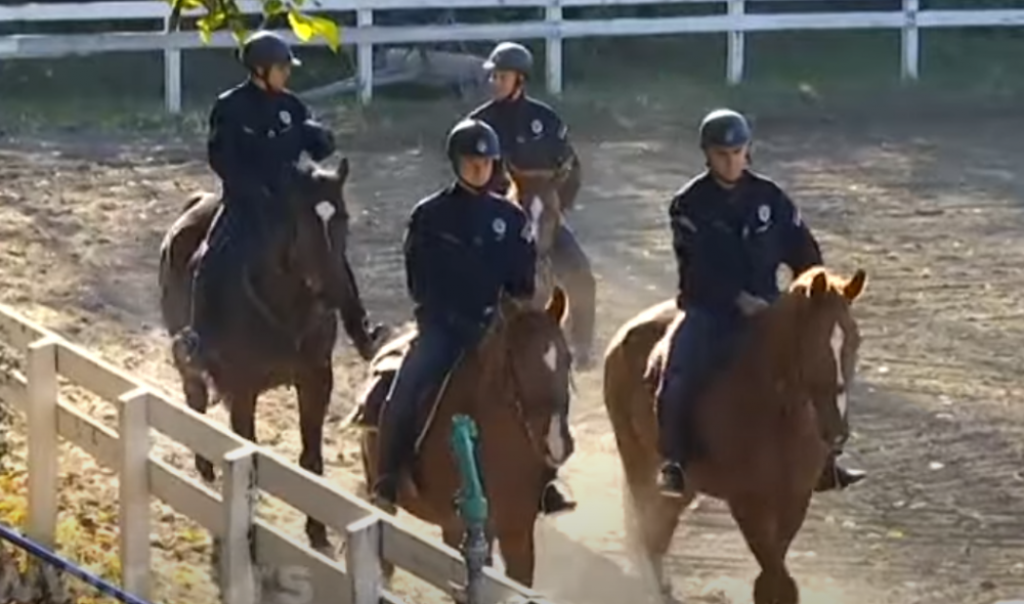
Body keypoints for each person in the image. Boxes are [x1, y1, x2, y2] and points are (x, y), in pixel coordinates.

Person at [657, 108, 866, 497]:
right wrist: (738, 300)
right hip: (709, 309)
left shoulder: (770, 197)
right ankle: (674, 461)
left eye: (738, 152)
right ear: (707, 155)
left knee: (816, 367)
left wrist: (813, 294)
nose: (732, 160)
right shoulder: (688, 204)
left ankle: (824, 459)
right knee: (679, 369)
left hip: (769, 307)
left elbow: (803, 249)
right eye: (722, 154)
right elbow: (698, 267)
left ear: (749, 151)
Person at [372, 118, 575, 516]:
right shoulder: (429, 215)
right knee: (405, 389)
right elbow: (420, 283)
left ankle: (545, 480)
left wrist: (515, 309)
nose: (479, 168)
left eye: (486, 162)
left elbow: (521, 279)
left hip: (497, 327)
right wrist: (453, 317)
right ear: (456, 163)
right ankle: (388, 476)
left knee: (542, 382)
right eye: (471, 161)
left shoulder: (512, 218)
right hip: (443, 328)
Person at [174, 30, 381, 371]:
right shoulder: (230, 107)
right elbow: (221, 158)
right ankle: (202, 339)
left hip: (291, 201)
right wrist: (250, 190)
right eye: (282, 68)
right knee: (212, 260)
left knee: (331, 255)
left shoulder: (291, 104)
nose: (288, 74)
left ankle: (361, 332)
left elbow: (311, 144)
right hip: (245, 203)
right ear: (259, 70)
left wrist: (322, 138)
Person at [467, 41, 596, 370]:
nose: (494, 82)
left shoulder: (546, 120)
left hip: (543, 214)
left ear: (520, 80)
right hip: (493, 221)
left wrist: (558, 209)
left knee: (580, 273)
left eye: (502, 76)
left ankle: (581, 347)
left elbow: (571, 167)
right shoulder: (478, 125)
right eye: (492, 76)